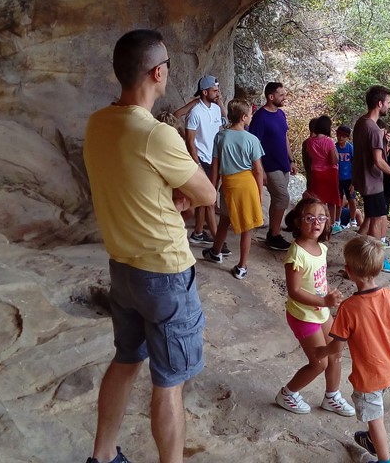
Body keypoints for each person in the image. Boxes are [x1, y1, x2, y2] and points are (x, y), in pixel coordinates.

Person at [83, 29, 216, 463]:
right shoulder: (156, 135)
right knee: (170, 379)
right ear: (158, 72)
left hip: (123, 268)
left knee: (125, 360)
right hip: (166, 272)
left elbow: (134, 185)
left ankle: (102, 455)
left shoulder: (99, 122)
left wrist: (168, 197)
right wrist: (181, 196)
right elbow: (207, 195)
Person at [320, 235, 390, 463]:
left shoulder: (349, 307)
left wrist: (320, 352)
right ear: (379, 268)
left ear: (348, 271)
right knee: (376, 410)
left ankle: (383, 460)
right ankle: (372, 439)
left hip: (368, 377)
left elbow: (337, 344)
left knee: (376, 420)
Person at [275, 196, 355, 418]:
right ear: (299, 222)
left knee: (336, 351)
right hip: (303, 316)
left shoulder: (321, 248)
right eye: (309, 218)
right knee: (319, 363)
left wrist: (328, 298)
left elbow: (320, 280)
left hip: (321, 312)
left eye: (321, 217)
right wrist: (324, 302)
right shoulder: (296, 253)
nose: (316, 223)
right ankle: (287, 393)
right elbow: (295, 291)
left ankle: (332, 396)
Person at [202, 99, 264, 280]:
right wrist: (259, 194)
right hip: (247, 185)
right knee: (247, 227)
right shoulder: (252, 139)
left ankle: (216, 252)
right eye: (250, 114)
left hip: (229, 185)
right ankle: (242, 266)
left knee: (224, 221)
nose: (251, 117)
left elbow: (215, 167)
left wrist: (212, 190)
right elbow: (258, 170)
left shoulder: (220, 137)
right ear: (244, 117)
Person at [352, 86, 390, 273]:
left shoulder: (362, 123)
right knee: (377, 220)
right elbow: (378, 161)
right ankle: (377, 260)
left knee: (375, 217)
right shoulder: (374, 129)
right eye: (388, 103)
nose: (389, 106)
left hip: (364, 179)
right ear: (379, 103)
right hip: (373, 181)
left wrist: (383, 140)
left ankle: (358, 254)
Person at [247, 82, 294, 252]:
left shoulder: (281, 114)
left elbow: (284, 137)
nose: (284, 97)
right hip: (269, 165)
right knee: (283, 197)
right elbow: (253, 144)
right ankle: (275, 234)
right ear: (271, 97)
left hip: (283, 164)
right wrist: (260, 170)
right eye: (281, 95)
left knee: (277, 199)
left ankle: (272, 234)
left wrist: (291, 159)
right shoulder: (260, 117)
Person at [185, 75, 227, 248]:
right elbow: (190, 141)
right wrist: (198, 165)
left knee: (205, 200)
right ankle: (218, 243)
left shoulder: (216, 109)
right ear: (204, 92)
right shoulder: (195, 112)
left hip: (214, 159)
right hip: (202, 160)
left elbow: (218, 134)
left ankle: (198, 233)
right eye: (215, 90)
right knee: (210, 201)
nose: (218, 94)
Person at [305, 115, 341, 223]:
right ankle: (331, 223)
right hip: (330, 173)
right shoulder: (328, 141)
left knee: (318, 200)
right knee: (331, 200)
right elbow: (334, 160)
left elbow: (310, 156)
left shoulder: (310, 142)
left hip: (316, 172)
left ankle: (319, 220)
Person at [336, 124, 358, 228]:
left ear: (347, 137)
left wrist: (354, 182)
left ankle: (353, 220)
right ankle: (337, 220)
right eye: (339, 135)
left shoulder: (351, 148)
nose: (340, 138)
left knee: (352, 200)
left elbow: (355, 165)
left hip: (349, 178)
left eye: (343, 136)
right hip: (337, 178)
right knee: (338, 200)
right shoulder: (334, 148)